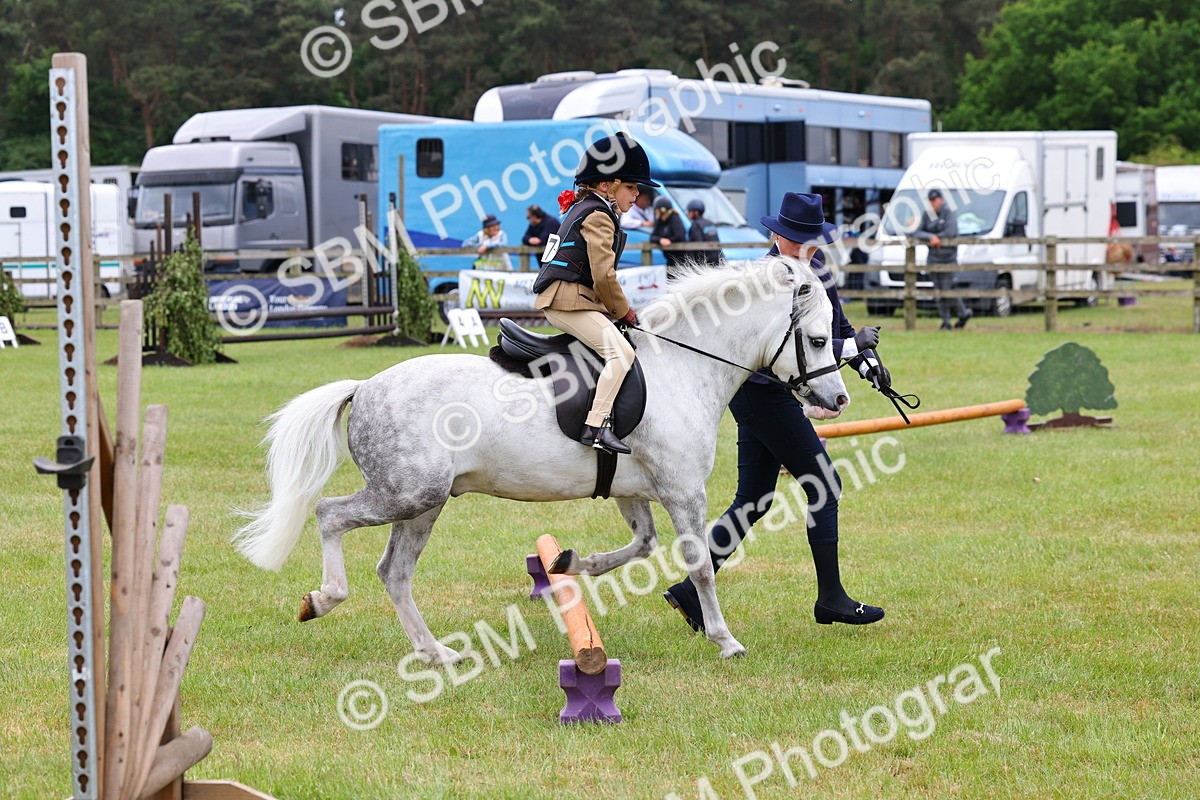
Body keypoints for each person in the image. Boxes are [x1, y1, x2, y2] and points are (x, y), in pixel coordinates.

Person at [662, 192, 892, 631]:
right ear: (775, 235)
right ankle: (831, 599)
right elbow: (786, 351)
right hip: (763, 393)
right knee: (825, 485)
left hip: (776, 395)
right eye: (797, 240)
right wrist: (852, 346)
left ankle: (690, 592)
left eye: (813, 240)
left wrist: (869, 364)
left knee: (754, 498)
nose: (807, 249)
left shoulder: (819, 270)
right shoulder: (766, 279)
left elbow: (836, 330)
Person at [531, 132, 660, 455]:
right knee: (622, 353)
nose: (637, 195)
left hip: (572, 297)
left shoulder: (590, 208)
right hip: (566, 300)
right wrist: (623, 311)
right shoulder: (599, 215)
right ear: (606, 186)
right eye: (631, 187)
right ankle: (597, 426)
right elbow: (604, 275)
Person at [914, 188, 971, 330]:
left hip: (948, 259)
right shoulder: (927, 215)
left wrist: (937, 237)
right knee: (938, 292)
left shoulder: (949, 212)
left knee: (948, 290)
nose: (932, 203)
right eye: (930, 200)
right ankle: (947, 321)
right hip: (933, 259)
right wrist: (930, 237)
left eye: (935, 200)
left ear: (941, 199)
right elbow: (917, 231)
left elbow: (951, 232)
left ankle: (963, 313)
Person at [651, 196, 687, 269]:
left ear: (663, 209)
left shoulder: (674, 218)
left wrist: (670, 240)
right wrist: (660, 240)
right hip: (669, 260)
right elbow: (652, 237)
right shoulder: (660, 220)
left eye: (657, 209)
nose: (656, 212)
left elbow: (680, 236)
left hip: (680, 261)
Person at [685, 199, 722, 265]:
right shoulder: (710, 223)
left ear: (696, 212)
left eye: (689, 211)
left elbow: (698, 246)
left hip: (704, 264)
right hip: (717, 260)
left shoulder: (696, 225)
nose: (688, 213)